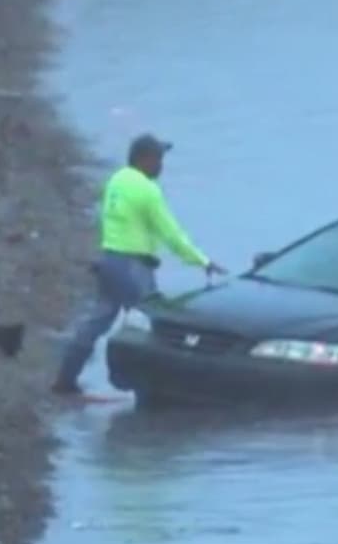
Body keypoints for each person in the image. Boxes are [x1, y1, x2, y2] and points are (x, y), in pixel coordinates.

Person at [52, 133, 225, 395]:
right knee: (157, 324)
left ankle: (65, 380)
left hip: (109, 261)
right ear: (144, 159)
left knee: (98, 321)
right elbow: (171, 234)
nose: (161, 166)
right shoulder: (147, 190)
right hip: (133, 269)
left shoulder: (117, 180)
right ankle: (157, 388)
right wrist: (202, 261)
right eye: (158, 159)